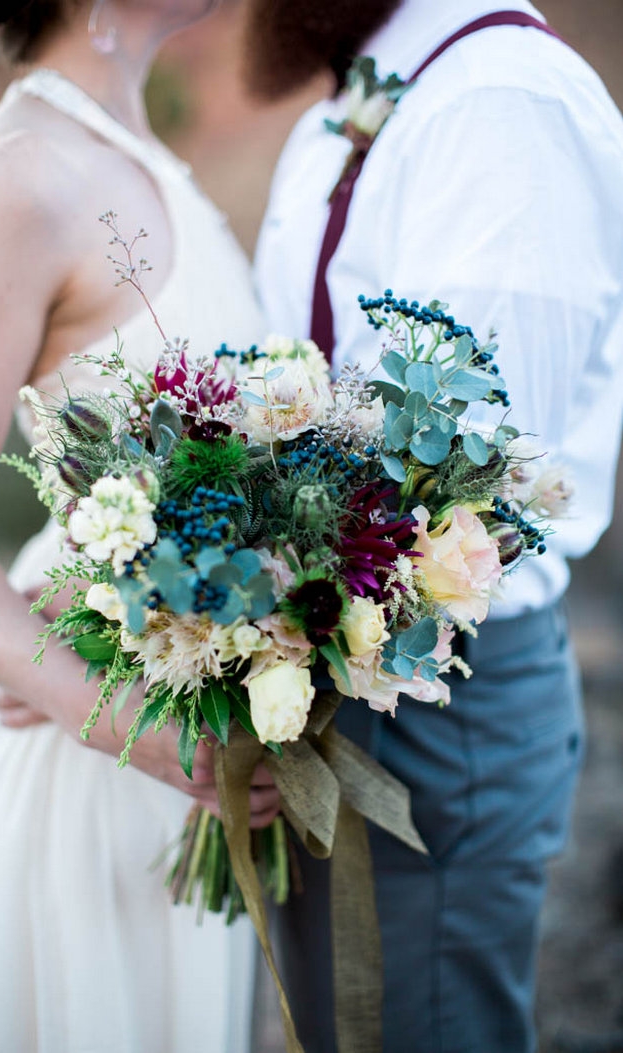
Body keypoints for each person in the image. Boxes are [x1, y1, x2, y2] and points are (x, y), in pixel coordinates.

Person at [248, 0, 623, 1051]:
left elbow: (468, 489)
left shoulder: (497, 103)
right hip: (327, 676)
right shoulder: (371, 85)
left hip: (434, 694)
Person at [0, 1, 279, 1050]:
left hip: (183, 763)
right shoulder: (25, 174)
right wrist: (133, 727)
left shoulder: (133, 156)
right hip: (88, 769)